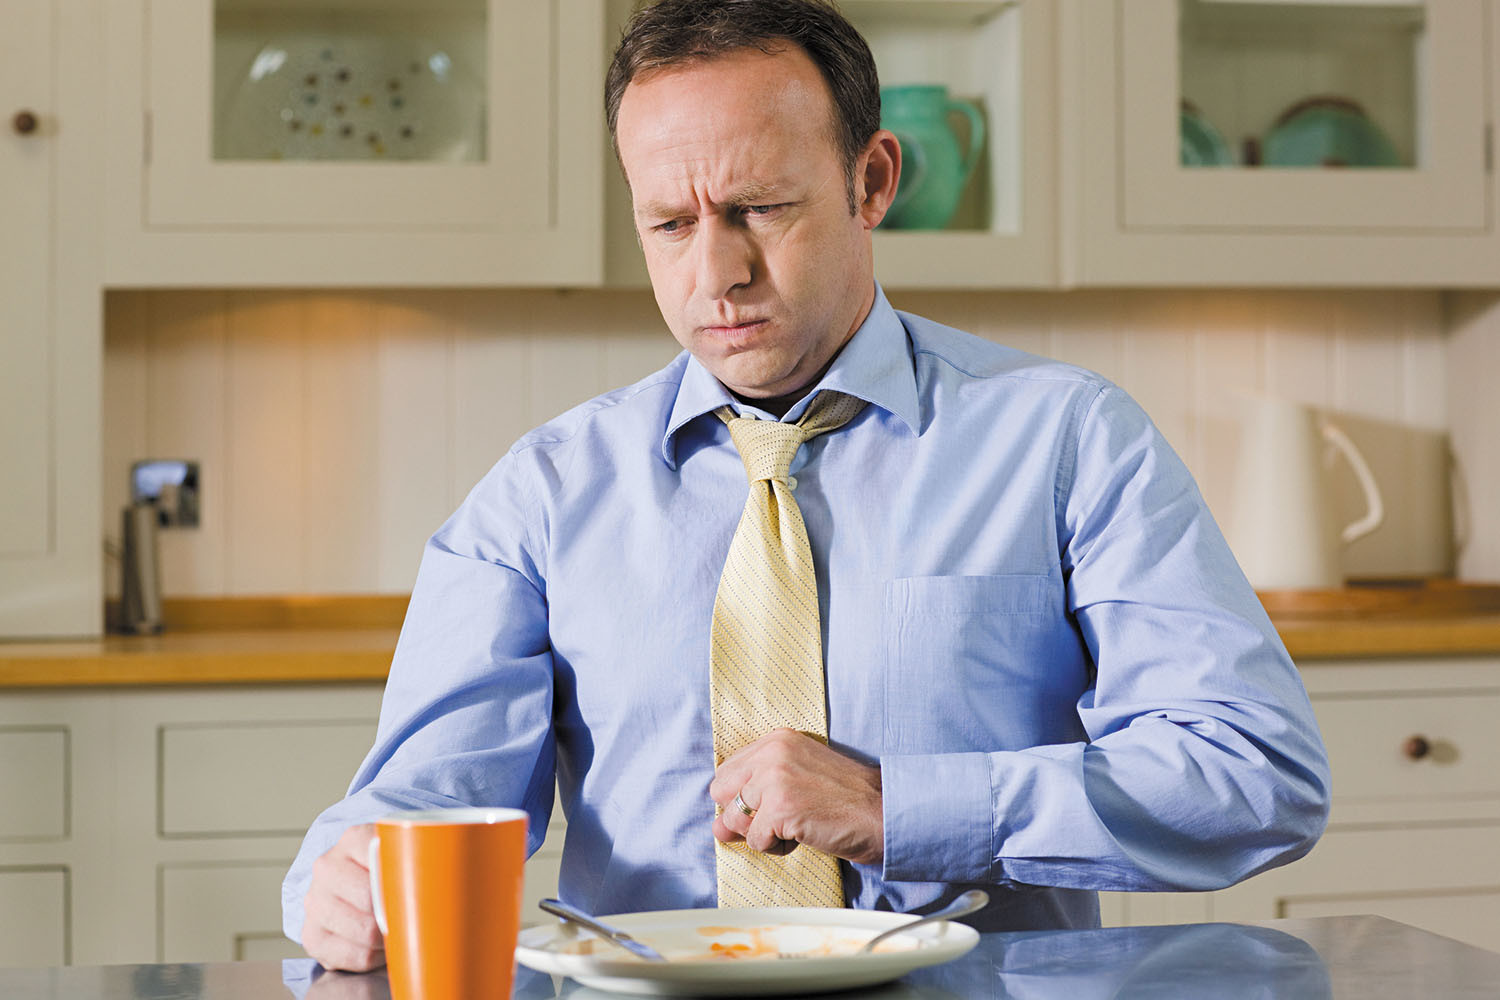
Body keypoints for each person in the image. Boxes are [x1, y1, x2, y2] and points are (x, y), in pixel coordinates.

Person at [283, 0, 1330, 973]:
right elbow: (421, 802)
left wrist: (902, 805)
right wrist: (336, 880)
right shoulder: (541, 495)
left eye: (761, 207)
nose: (717, 271)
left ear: (871, 181)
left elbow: (1255, 775)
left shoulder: (1065, 439)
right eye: (670, 224)